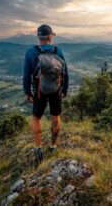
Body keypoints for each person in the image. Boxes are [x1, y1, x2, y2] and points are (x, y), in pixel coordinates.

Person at [23, 24, 69, 162]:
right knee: (55, 116)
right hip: (56, 88)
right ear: (50, 37)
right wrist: (64, 89)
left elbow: (26, 75)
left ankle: (38, 149)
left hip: (39, 90)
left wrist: (27, 92)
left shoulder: (30, 52)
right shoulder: (58, 51)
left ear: (38, 37)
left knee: (36, 117)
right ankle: (53, 146)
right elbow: (65, 72)